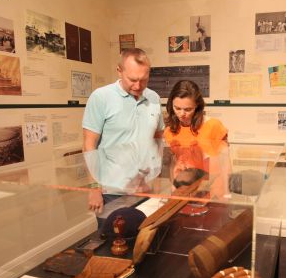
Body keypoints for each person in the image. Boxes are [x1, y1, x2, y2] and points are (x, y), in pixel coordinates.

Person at [82, 48, 164, 213]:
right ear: (119, 71)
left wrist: (156, 178)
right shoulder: (101, 97)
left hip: (145, 188)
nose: (138, 86)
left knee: (145, 236)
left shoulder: (153, 98)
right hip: (112, 191)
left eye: (144, 80)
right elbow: (88, 145)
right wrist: (93, 188)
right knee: (114, 237)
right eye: (133, 79)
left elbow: (158, 138)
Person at [163, 80, 229, 197]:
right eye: (177, 108)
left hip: (211, 189)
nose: (182, 114)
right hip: (183, 189)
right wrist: (173, 188)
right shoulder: (169, 130)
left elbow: (225, 163)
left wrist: (227, 194)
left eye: (188, 109)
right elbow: (172, 165)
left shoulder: (213, 125)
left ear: (197, 106)